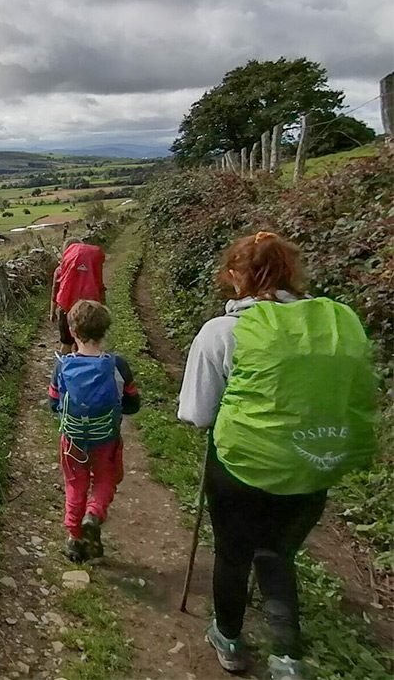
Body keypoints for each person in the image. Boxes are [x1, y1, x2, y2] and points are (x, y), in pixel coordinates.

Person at [178, 232, 377, 680]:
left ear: (234, 277)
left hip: (242, 466)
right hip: (315, 460)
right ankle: (287, 656)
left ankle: (228, 639)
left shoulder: (223, 331)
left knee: (234, 554)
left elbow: (196, 413)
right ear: (293, 272)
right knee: (277, 553)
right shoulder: (337, 321)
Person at [49, 300, 140, 562]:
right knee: (105, 480)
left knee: (75, 484)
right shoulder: (117, 365)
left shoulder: (62, 366)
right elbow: (133, 404)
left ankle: (74, 539)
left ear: (73, 332)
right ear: (105, 331)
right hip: (106, 440)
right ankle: (94, 514)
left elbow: (53, 403)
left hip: (73, 440)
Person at [50, 238, 106, 355]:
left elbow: (55, 292)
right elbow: (99, 286)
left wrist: (52, 311)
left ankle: (63, 368)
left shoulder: (60, 270)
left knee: (66, 344)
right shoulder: (91, 267)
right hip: (87, 309)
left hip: (66, 308)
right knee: (85, 344)